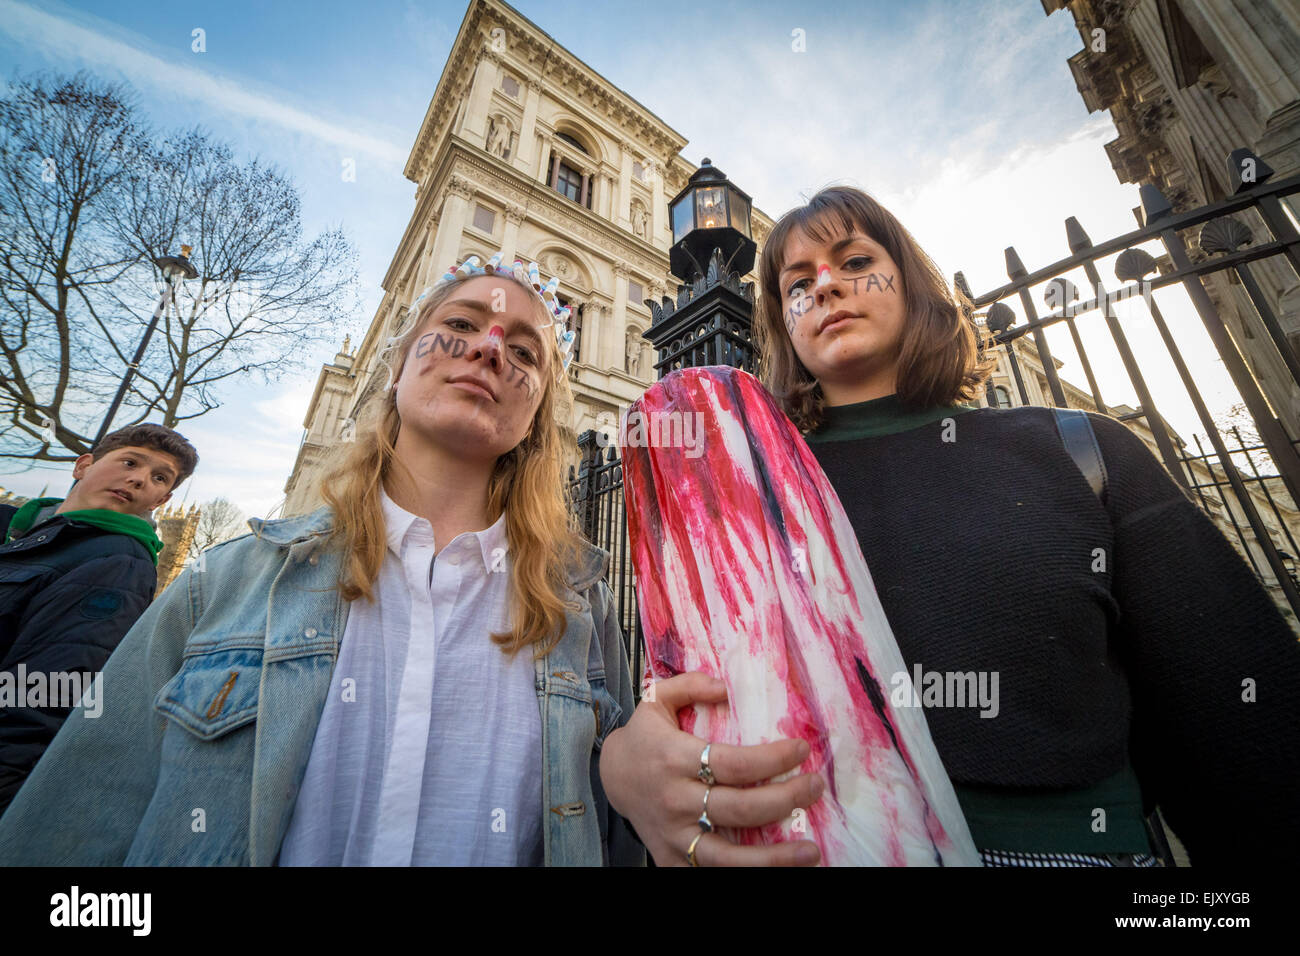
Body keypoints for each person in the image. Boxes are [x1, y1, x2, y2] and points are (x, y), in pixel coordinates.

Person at [600, 185, 1300, 867]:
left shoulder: (1077, 449)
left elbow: (1242, 724)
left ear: (910, 282)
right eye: (798, 285)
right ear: (785, 325)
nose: (827, 288)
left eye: (854, 263)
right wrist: (623, 761)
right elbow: (688, 686)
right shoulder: (744, 495)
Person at [0, 255, 644, 866]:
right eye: (457, 325)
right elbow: (71, 828)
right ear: (396, 366)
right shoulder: (221, 583)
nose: (488, 348)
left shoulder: (582, 613)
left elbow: (623, 830)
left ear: (538, 414)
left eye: (526, 350)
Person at [0, 423, 197, 817]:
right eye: (130, 462)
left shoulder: (118, 563)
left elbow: (42, 698)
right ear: (83, 465)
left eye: (159, 477)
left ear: (163, 499)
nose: (140, 479)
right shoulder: (20, 530)